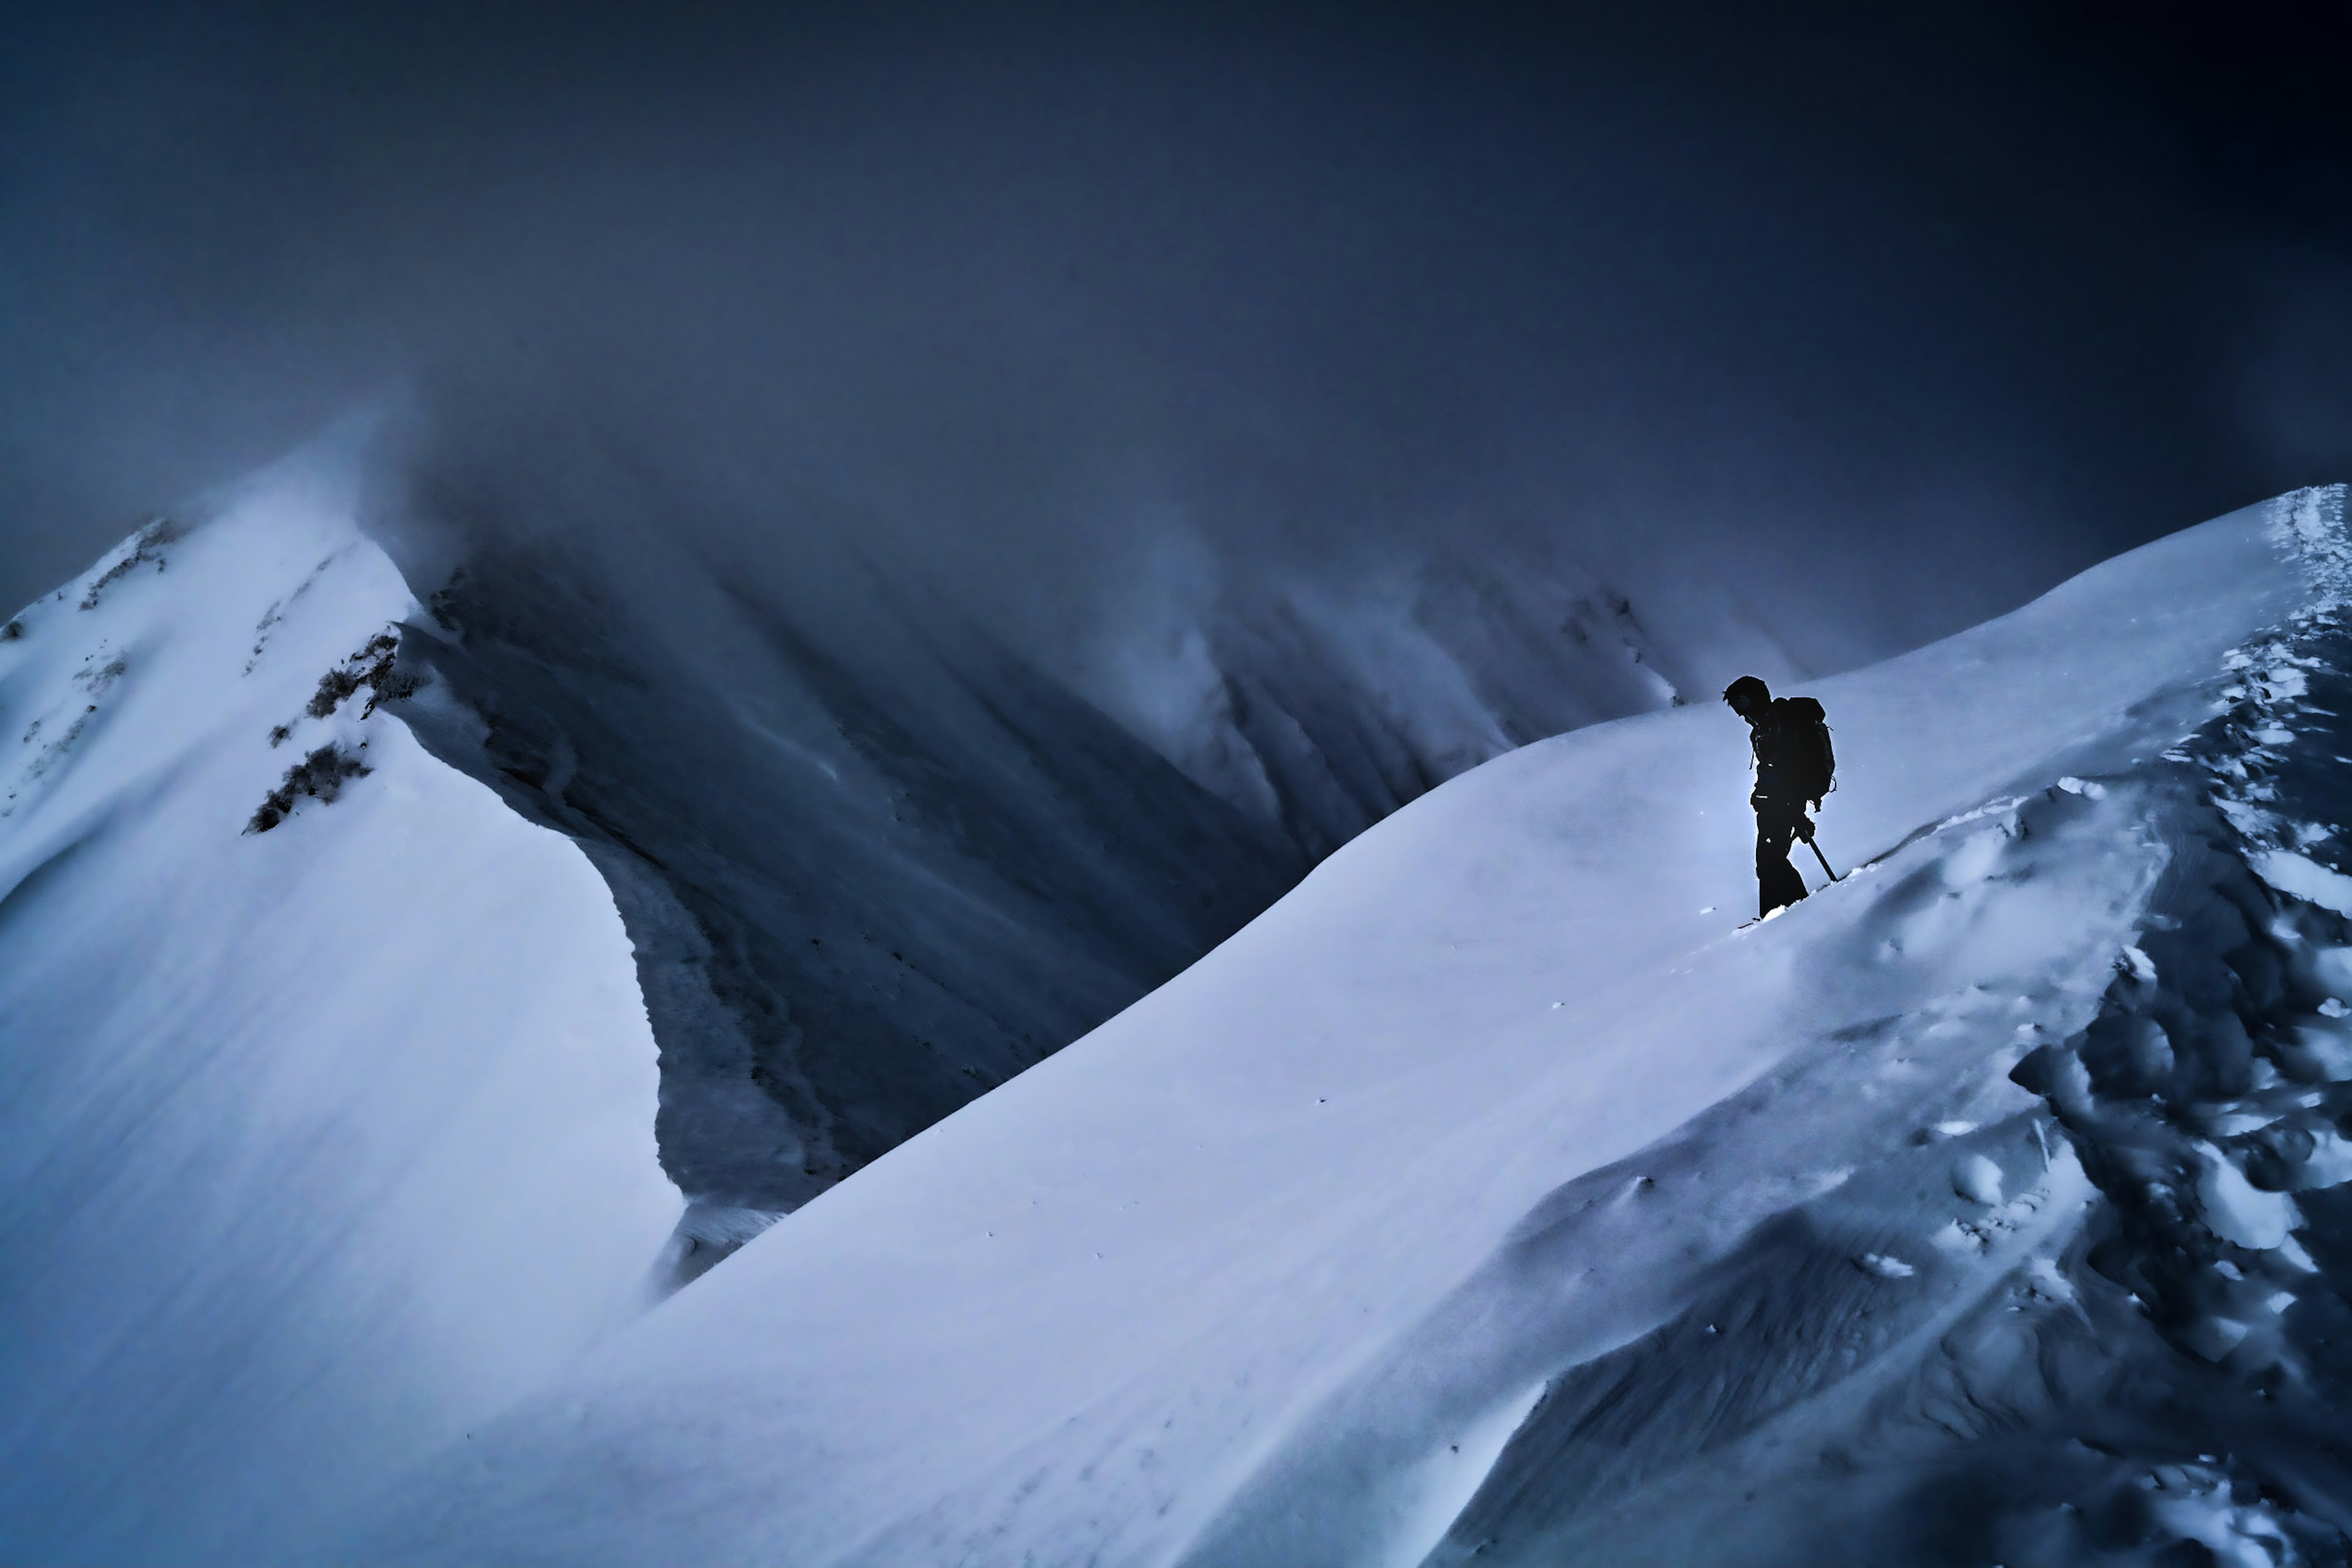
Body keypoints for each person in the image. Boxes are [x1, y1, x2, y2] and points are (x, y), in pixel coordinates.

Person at [1721, 676, 1834, 920]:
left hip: (1782, 802)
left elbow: (1787, 768)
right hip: (1777, 803)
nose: (1741, 713)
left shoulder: (1779, 724)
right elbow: (1773, 770)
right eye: (1736, 707)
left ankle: (1796, 913)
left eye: (1742, 702)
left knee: (1770, 861)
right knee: (1767, 861)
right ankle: (1773, 915)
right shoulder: (1765, 727)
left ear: (1756, 697)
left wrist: (1788, 805)